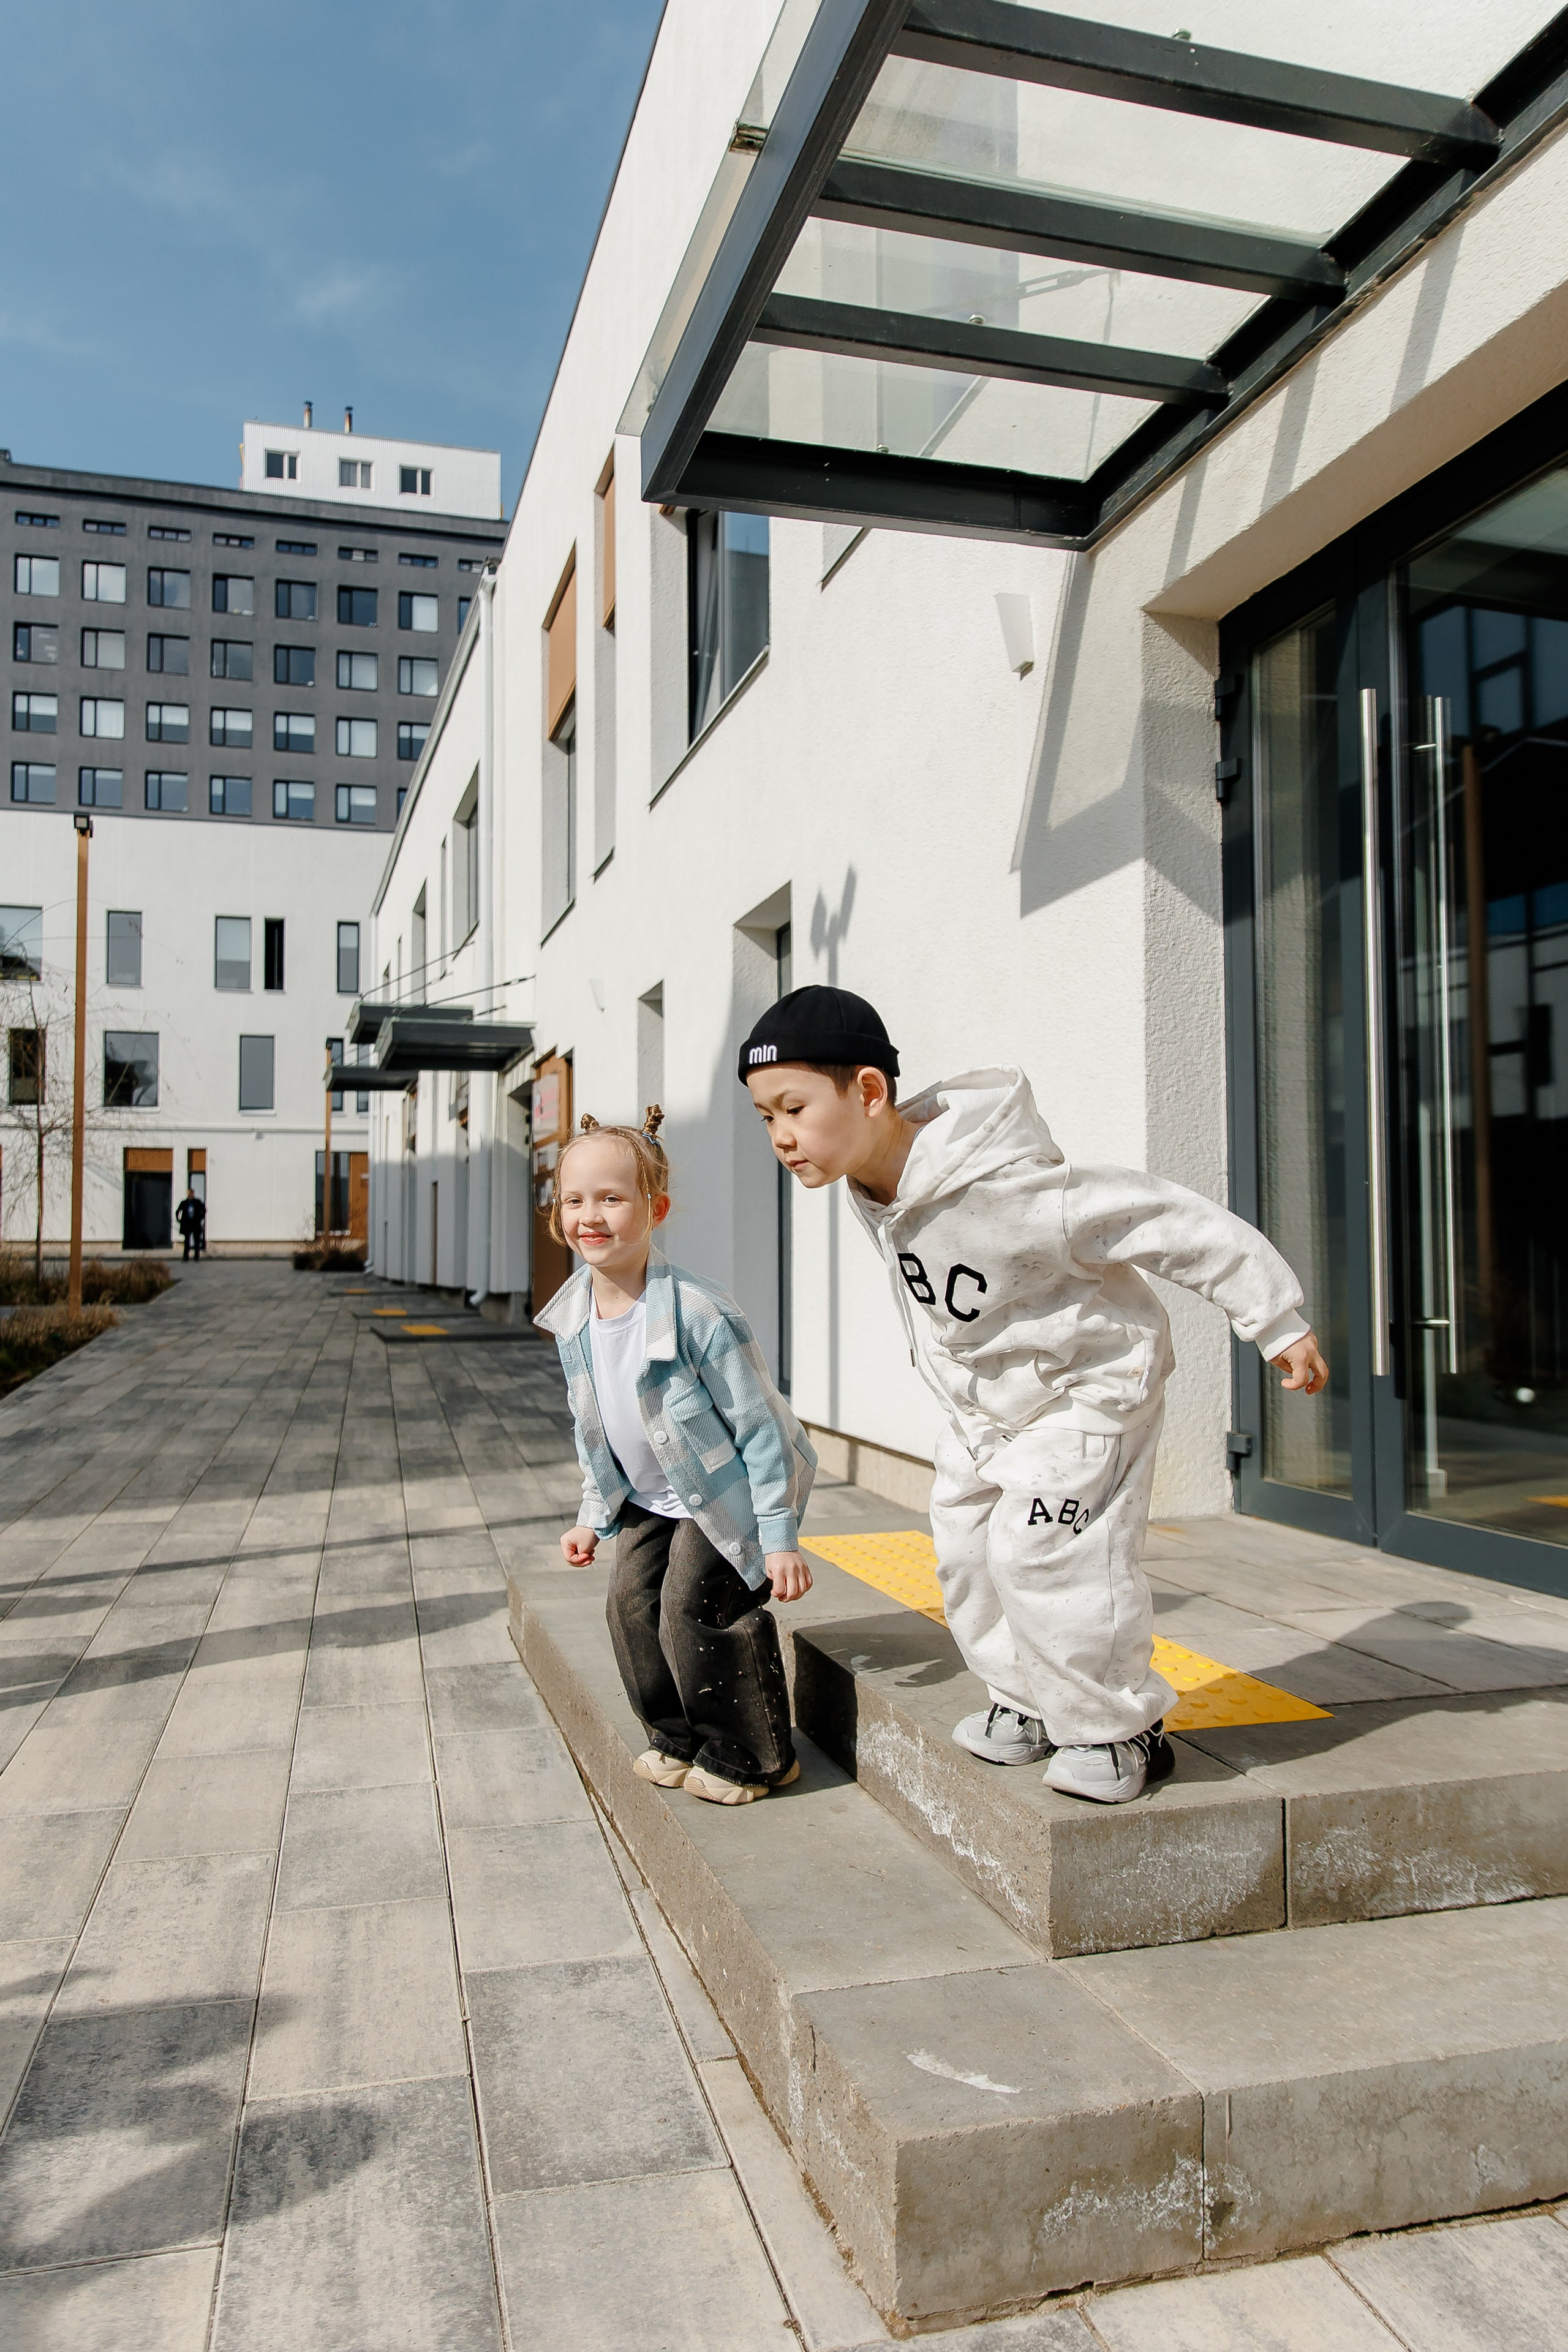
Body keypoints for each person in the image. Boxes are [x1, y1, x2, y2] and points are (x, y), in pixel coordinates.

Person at [741, 986, 1329, 1806]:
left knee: (1045, 1551)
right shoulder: (875, 1186)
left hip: (1089, 1391)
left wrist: (1274, 1320)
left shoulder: (1012, 1185)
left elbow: (1163, 1217)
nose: (779, 1135)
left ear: (869, 1091)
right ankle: (1026, 1700)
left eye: (793, 1108)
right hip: (988, 1409)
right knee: (965, 1551)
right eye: (765, 1117)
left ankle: (1117, 1727)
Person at [540, 1107, 818, 1805]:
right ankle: (677, 1737)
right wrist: (591, 1516)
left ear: (654, 1209)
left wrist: (778, 1537)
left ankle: (755, 1754)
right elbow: (593, 1430)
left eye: (612, 1198)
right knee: (629, 1609)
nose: (590, 1216)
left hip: (723, 1498)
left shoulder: (698, 1313)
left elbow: (761, 1428)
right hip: (648, 1498)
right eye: (573, 1200)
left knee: (693, 1609)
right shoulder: (573, 1319)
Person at [176, 1186, 206, 1262]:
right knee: (187, 1241)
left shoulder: (197, 1202)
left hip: (195, 1224)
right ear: (187, 1194)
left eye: (192, 1193)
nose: (191, 1195)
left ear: (194, 1194)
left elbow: (204, 1209)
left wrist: (201, 1217)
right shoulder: (184, 1203)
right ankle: (186, 1257)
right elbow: (178, 1211)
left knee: (197, 1240)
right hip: (187, 1224)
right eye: (189, 1193)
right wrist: (179, 1220)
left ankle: (196, 1256)